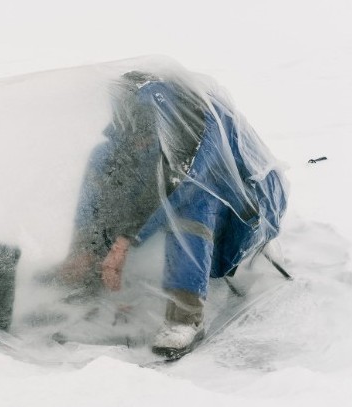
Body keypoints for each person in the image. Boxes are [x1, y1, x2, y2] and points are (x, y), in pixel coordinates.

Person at [59, 70, 288, 358]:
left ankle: (185, 314)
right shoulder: (144, 112)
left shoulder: (200, 125)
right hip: (184, 181)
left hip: (248, 208)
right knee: (103, 158)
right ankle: (84, 260)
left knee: (194, 204)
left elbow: (183, 187)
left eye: (145, 133)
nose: (139, 141)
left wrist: (126, 240)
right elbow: (132, 163)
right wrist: (91, 243)